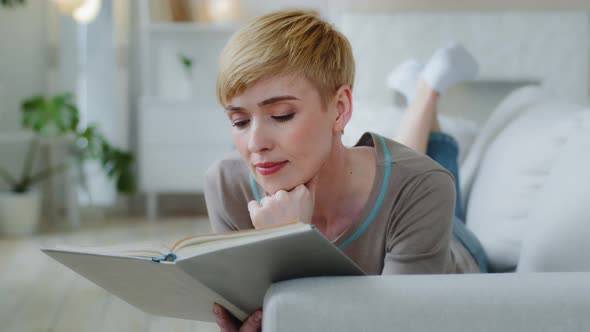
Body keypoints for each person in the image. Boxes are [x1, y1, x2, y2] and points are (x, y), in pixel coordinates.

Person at [204, 9, 488, 331]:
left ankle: (426, 92)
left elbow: (396, 325)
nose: (255, 143)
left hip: (454, 249)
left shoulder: (424, 187)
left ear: (340, 109)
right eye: (239, 121)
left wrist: (289, 245)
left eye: (281, 115)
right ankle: (419, 92)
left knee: (426, 172)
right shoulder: (227, 184)